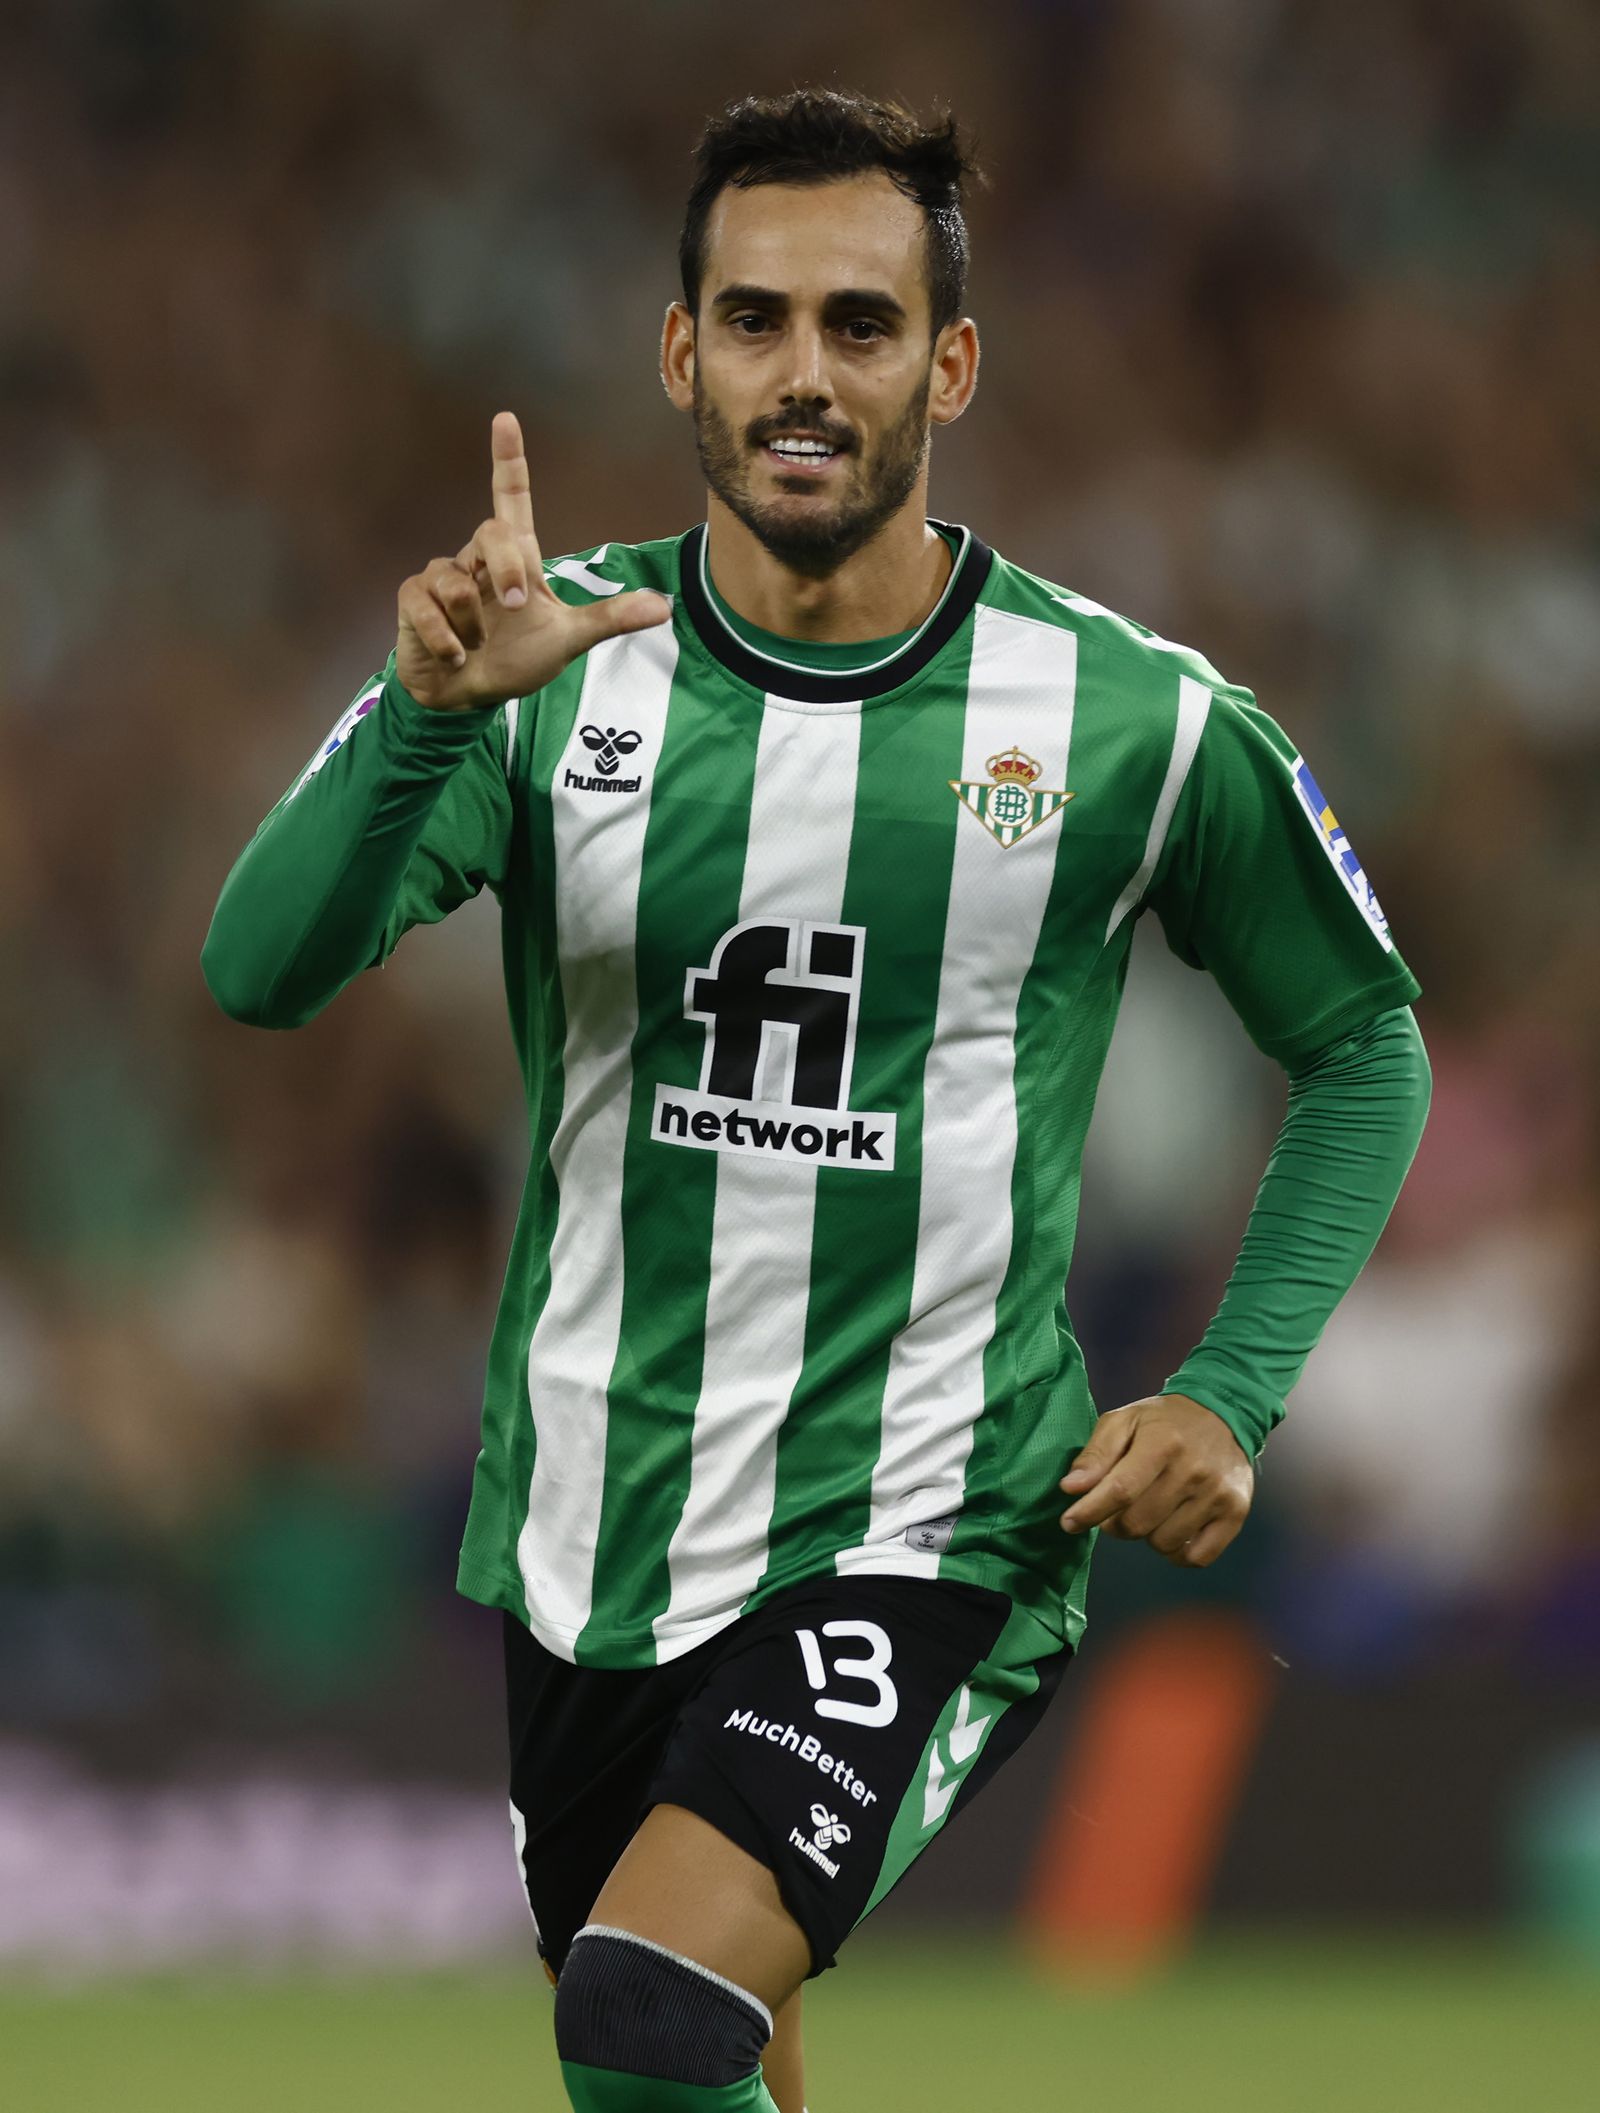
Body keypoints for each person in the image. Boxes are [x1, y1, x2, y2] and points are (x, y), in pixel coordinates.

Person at [202, 88, 1431, 2113]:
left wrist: (1230, 1385)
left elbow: (1363, 1041)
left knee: (644, 2009)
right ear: (679, 352)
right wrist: (419, 723)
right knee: (698, 2058)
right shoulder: (544, 667)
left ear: (945, 362)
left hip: (926, 1514)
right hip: (596, 1520)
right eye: (755, 319)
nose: (802, 374)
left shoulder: (1127, 716)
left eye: (858, 325)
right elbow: (260, 972)